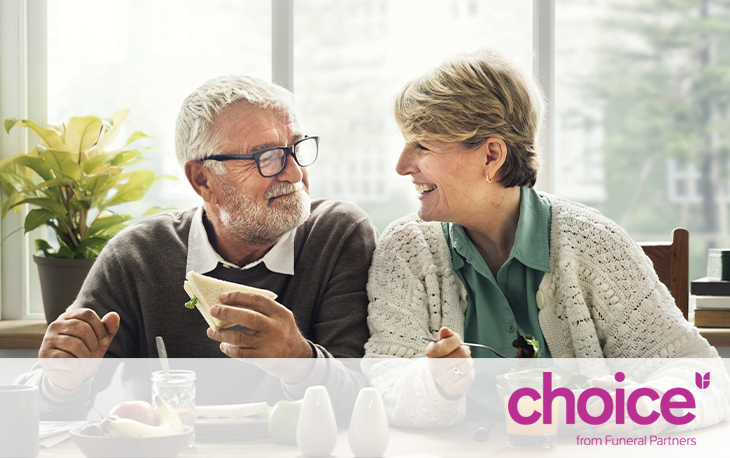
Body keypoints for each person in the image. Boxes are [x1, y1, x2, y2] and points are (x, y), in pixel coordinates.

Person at [362, 49, 728, 431]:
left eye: (422, 145)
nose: (402, 165)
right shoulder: (407, 248)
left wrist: (636, 404)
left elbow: (700, 374)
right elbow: (382, 380)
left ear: (491, 155)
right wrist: (436, 386)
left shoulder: (595, 243)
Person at [19, 75, 377, 417]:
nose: (296, 174)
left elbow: (362, 401)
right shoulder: (137, 256)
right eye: (266, 157)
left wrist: (297, 360)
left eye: (296, 148)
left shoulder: (338, 235)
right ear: (202, 179)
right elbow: (52, 411)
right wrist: (60, 383)